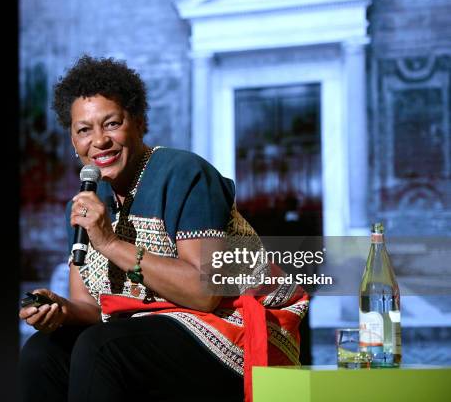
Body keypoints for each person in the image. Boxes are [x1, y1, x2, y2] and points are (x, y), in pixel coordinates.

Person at [19, 55, 309, 402]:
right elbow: (91, 308)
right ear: (72, 140)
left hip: (234, 330)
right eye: (84, 130)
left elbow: (204, 293)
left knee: (102, 348)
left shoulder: (184, 174)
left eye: (112, 123)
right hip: (146, 332)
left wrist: (110, 243)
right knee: (42, 352)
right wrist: (60, 310)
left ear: (139, 122)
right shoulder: (84, 206)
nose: (99, 140)